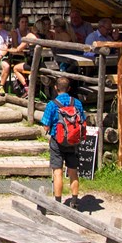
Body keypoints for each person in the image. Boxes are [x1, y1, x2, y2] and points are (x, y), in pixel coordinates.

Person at [41, 76, 87, 208]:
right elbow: (82, 121)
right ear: (69, 88)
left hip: (57, 142)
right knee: (73, 171)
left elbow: (46, 125)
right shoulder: (77, 103)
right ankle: (74, 201)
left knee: (57, 172)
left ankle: (57, 202)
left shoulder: (52, 104)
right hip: (74, 142)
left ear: (56, 88)